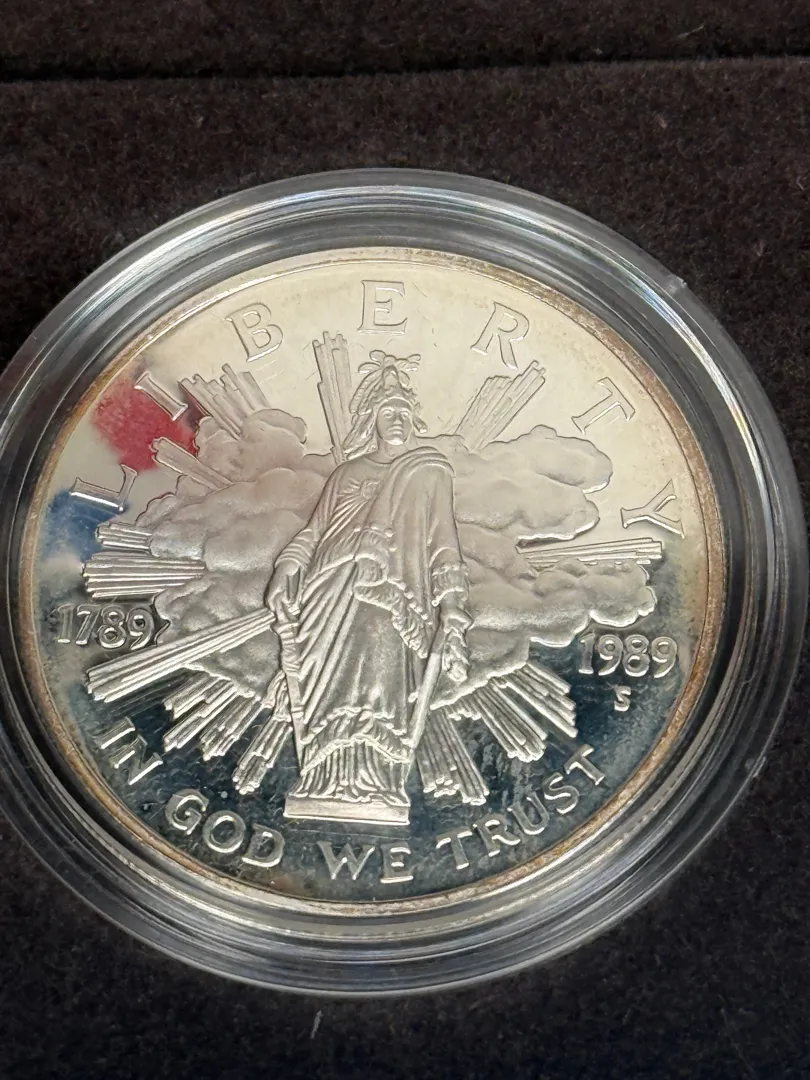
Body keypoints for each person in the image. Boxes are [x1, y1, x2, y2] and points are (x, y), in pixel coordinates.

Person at [265, 352, 470, 824]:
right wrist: (285, 569)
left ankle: (377, 781)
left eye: (403, 411)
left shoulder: (429, 471)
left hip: (390, 591)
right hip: (329, 588)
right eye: (387, 411)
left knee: (380, 680)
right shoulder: (347, 473)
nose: (397, 419)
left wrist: (452, 601)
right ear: (371, 419)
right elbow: (315, 532)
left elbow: (443, 540)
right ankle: (321, 779)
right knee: (324, 688)